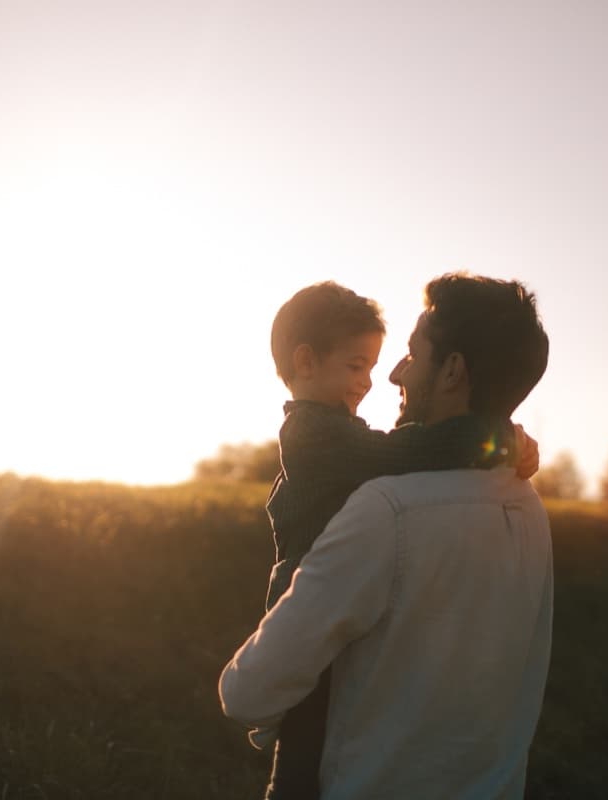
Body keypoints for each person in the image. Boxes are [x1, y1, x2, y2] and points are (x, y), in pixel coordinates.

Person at [220, 273, 553, 800]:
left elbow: (247, 691)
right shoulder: (529, 509)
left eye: (410, 355)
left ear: (452, 372)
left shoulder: (389, 511)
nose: (391, 374)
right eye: (360, 364)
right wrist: (500, 438)